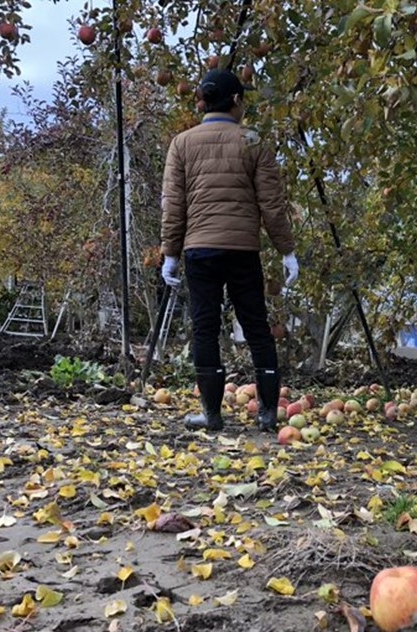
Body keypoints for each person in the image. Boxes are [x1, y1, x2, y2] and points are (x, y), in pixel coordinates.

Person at [160, 68, 298, 432]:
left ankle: (212, 414)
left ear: (204, 102)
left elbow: (173, 206)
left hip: (199, 250)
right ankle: (267, 414)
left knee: (204, 329)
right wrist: (287, 250)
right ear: (237, 101)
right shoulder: (253, 141)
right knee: (256, 327)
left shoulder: (182, 144)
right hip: (242, 250)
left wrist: (170, 255)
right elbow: (272, 204)